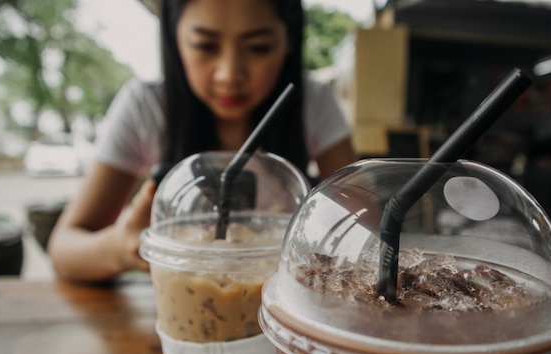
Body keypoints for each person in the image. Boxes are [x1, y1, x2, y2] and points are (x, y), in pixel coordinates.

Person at [47, 0, 357, 282]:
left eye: (259, 47)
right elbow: (64, 250)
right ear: (174, 39)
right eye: (206, 46)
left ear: (289, 40)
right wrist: (123, 246)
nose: (229, 74)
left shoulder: (312, 103)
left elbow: (361, 231)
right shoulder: (146, 107)